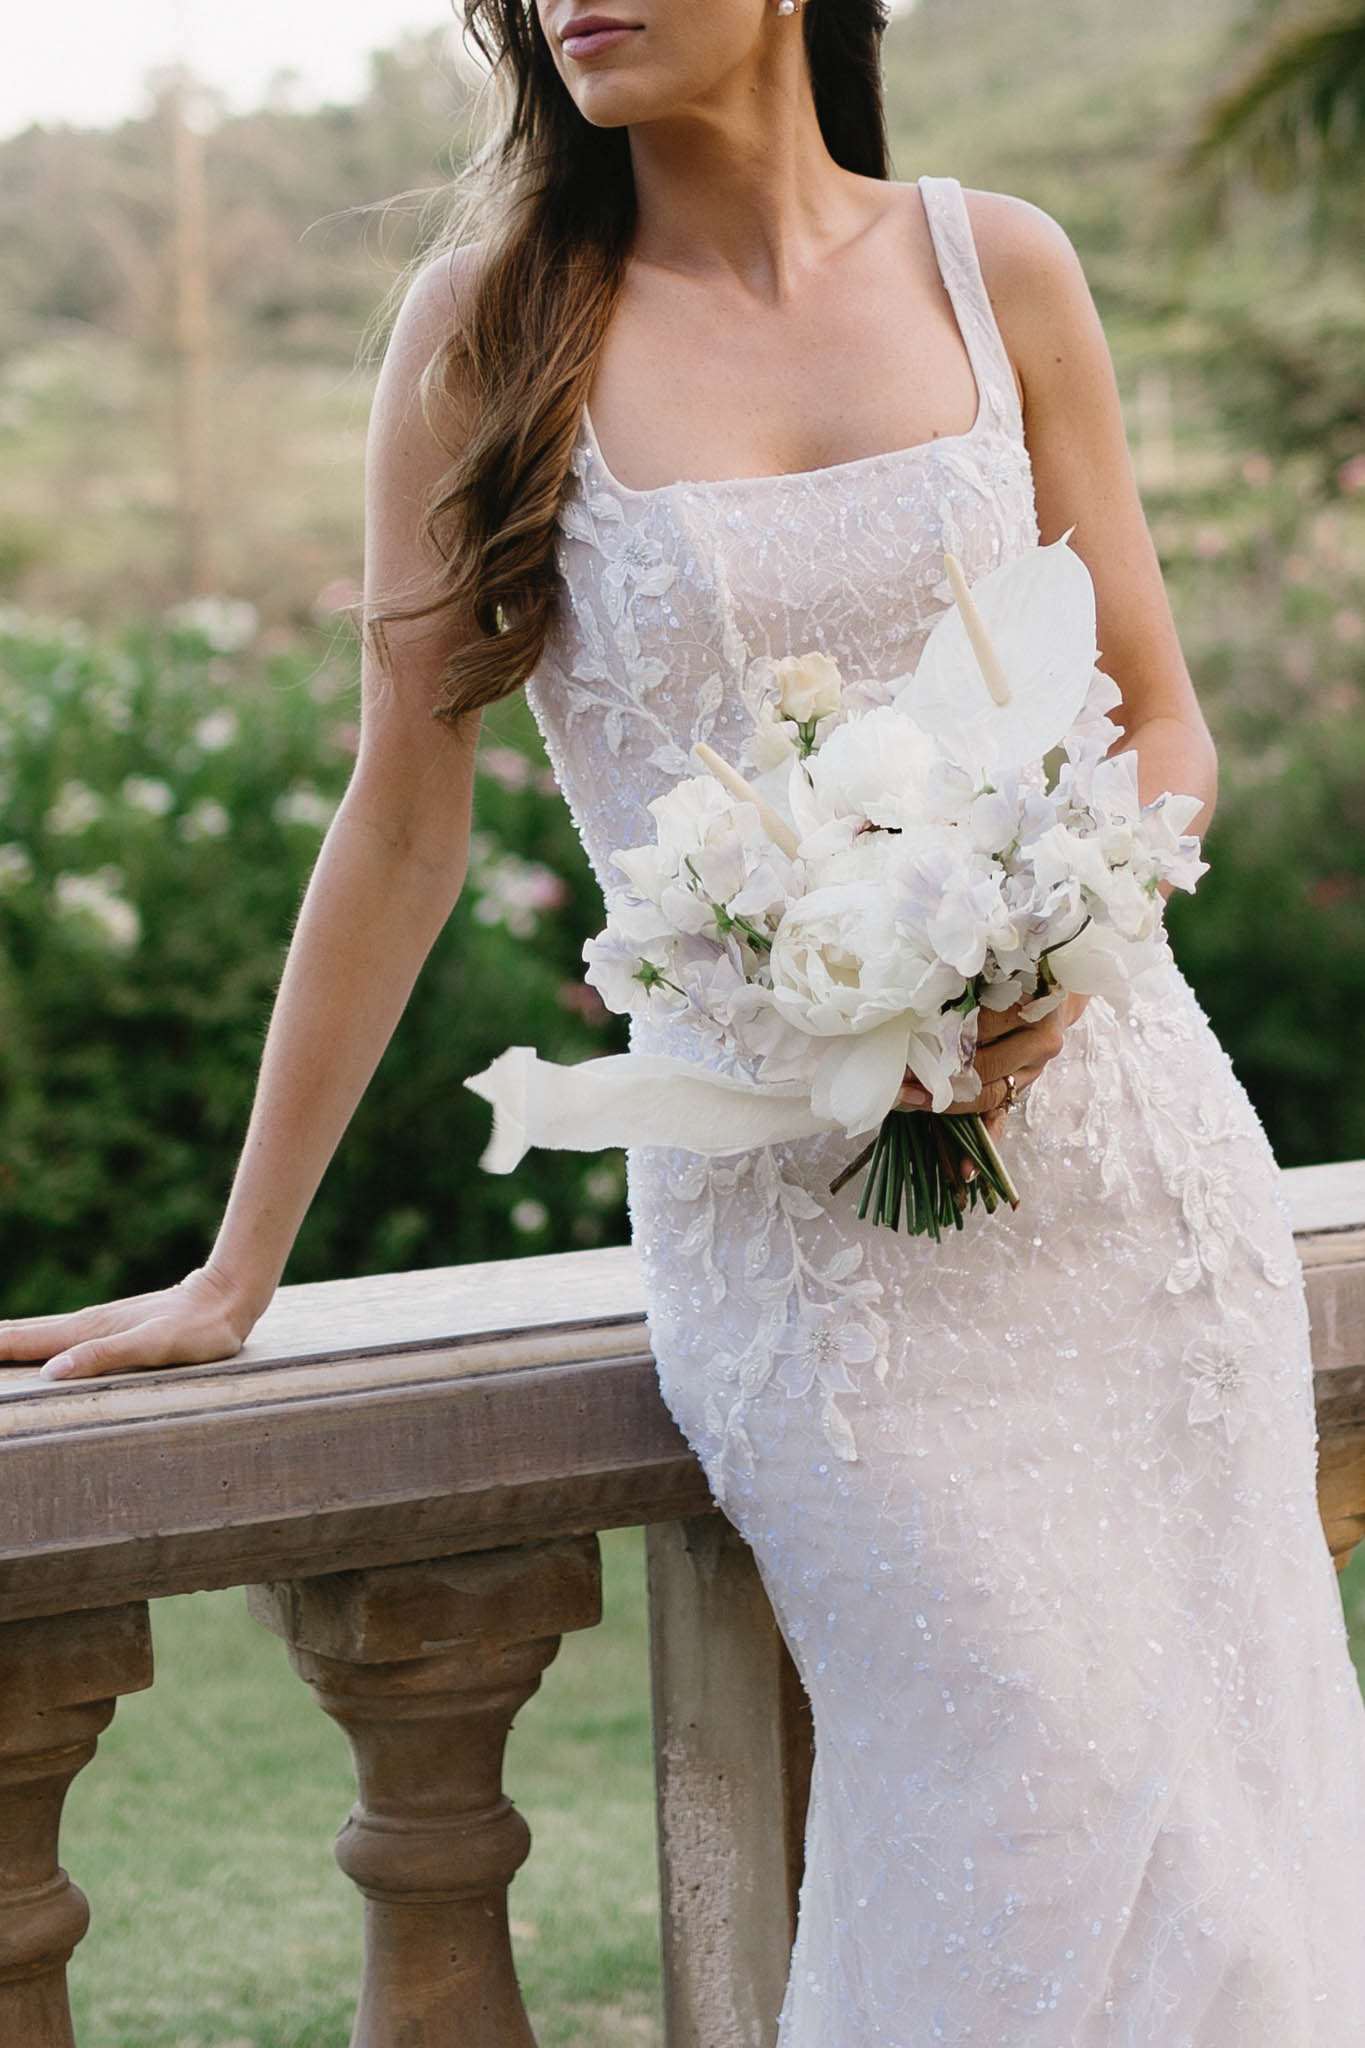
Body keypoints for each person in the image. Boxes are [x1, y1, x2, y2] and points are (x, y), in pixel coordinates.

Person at [9, 1, 1365, 2037]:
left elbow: (1153, 712)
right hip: (813, 1253)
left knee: (1242, 1830)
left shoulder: (997, 267)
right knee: (1008, 1792)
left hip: (1128, 1183)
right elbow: (400, 813)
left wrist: (1049, 940)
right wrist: (238, 1260)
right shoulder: (489, 326)